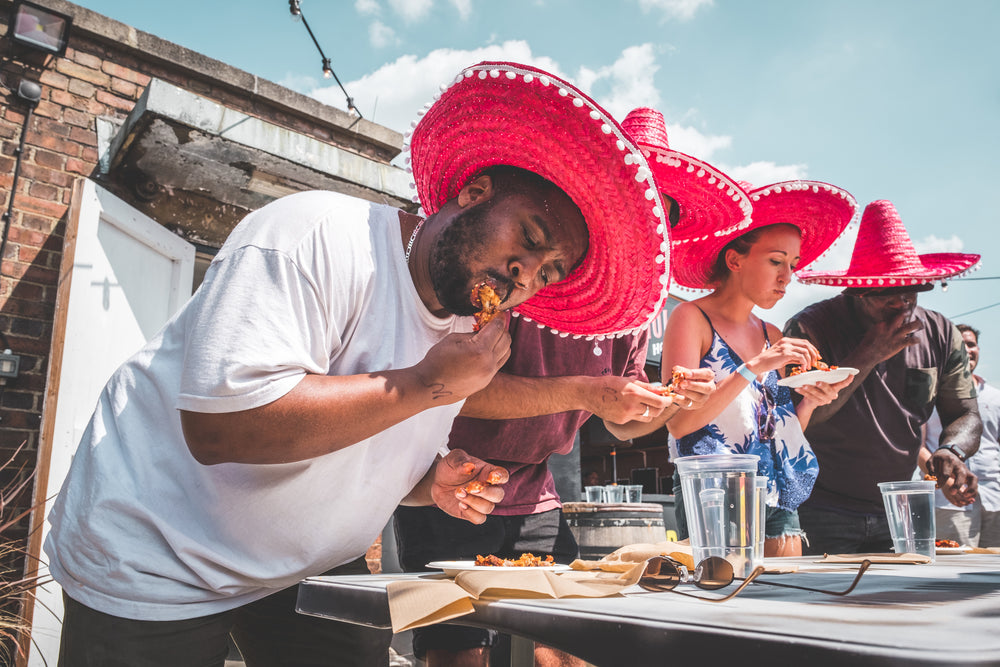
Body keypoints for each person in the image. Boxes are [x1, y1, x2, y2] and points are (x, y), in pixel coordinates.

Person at [43, 61, 672, 666]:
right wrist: (428, 384)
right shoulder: (315, 235)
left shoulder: (469, 331)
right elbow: (224, 428)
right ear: (473, 191)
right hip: (159, 556)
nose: (525, 275)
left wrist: (429, 481)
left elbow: (367, 430)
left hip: (308, 567)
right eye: (530, 240)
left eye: (548, 272)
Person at [392, 107, 729, 667]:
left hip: (535, 493)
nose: (652, 232)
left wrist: (666, 402)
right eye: (640, 214)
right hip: (446, 481)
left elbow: (621, 423)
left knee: (571, 647)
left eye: (663, 218)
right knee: (457, 655)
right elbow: (458, 387)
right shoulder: (523, 275)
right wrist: (585, 391)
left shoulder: (631, 314)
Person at [662, 178, 859, 557]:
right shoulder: (691, 317)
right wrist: (754, 366)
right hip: (712, 487)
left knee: (786, 600)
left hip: (773, 484)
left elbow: (776, 432)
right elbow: (680, 423)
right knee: (723, 602)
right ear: (734, 260)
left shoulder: (771, 332)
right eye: (775, 261)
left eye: (793, 265)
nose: (787, 277)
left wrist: (810, 402)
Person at [786, 199, 983, 555]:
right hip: (820, 508)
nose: (901, 304)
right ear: (857, 291)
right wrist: (869, 353)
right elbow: (801, 418)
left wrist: (951, 450)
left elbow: (965, 413)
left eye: (909, 292)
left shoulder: (941, 332)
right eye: (885, 295)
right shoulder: (811, 328)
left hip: (900, 506)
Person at [919, 325, 1000, 546]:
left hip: (995, 499)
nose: (967, 349)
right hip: (947, 500)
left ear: (979, 349)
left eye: (971, 344)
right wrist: (945, 482)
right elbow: (917, 446)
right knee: (952, 567)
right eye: (961, 344)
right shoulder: (929, 395)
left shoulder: (995, 397)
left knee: (994, 572)